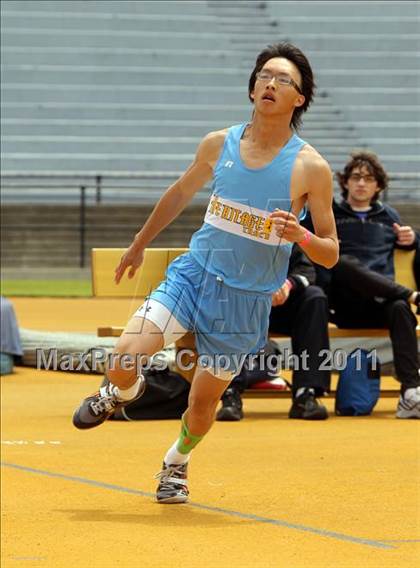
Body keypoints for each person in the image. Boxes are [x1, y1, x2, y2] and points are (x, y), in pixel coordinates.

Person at [73, 42, 339, 503]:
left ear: (299, 99)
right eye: (263, 75)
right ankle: (124, 391)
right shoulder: (219, 143)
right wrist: (139, 244)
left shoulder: (309, 167)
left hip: (244, 302)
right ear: (252, 86)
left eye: (283, 80)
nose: (269, 83)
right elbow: (179, 194)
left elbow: (331, 253)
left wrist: (302, 236)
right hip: (193, 276)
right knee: (121, 361)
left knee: (201, 406)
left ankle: (176, 463)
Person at [309, 151, 419, 419]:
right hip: (342, 304)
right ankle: (412, 295)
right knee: (341, 261)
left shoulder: (388, 216)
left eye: (368, 179)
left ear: (378, 185)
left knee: (400, 307)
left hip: (379, 303)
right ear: (345, 182)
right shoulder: (330, 213)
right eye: (356, 177)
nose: (361, 183)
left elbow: (412, 243)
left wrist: (413, 238)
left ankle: (410, 392)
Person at [217, 245, 330, 421]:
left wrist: (287, 285)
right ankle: (230, 394)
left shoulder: (286, 231)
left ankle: (305, 394)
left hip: (282, 307)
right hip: (244, 306)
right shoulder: (232, 233)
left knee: (315, 297)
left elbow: (307, 272)